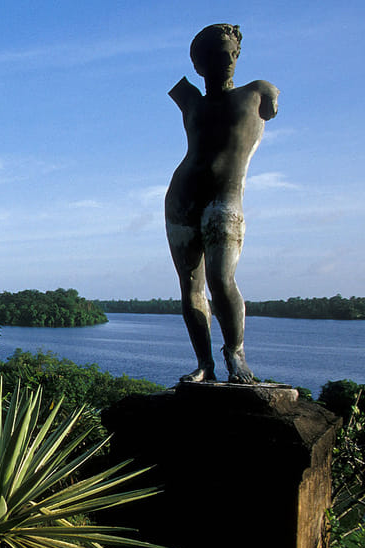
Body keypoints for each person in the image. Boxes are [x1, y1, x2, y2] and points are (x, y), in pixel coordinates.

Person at [165, 24, 279, 383]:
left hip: (225, 198)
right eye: (217, 54)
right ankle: (205, 364)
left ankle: (235, 353)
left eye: (231, 52)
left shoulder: (257, 92)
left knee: (221, 278)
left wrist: (270, 90)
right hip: (182, 198)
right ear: (199, 64)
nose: (227, 59)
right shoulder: (189, 99)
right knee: (190, 286)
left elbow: (270, 97)